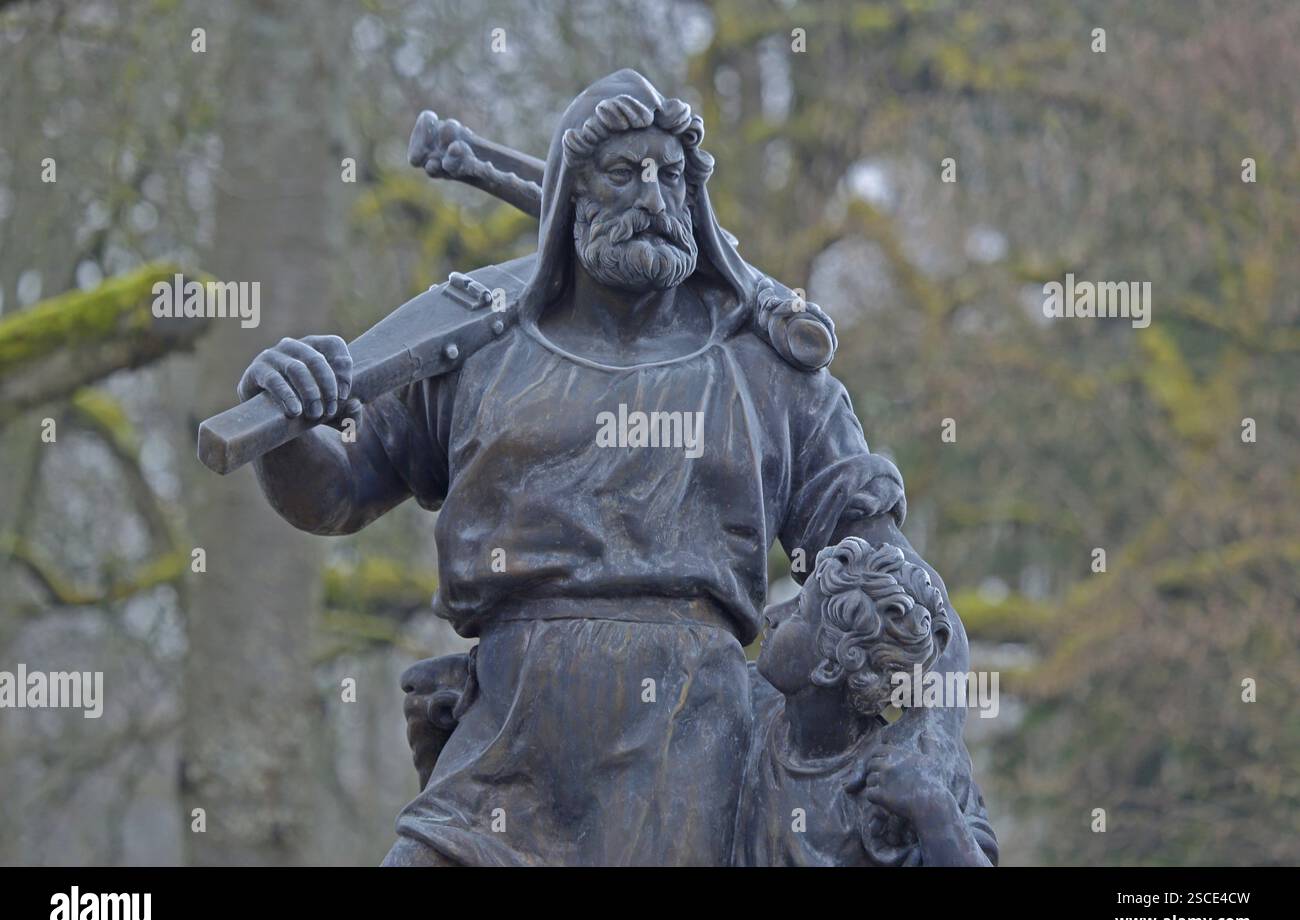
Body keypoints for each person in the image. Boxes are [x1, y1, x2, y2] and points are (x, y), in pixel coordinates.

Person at [234, 70, 973, 866]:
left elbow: (887, 571)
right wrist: (287, 423)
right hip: (504, 748)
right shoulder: (477, 351)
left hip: (696, 757)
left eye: (673, 175)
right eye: (624, 172)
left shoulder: (770, 373)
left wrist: (925, 729)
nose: (653, 196)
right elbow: (338, 493)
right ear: (570, 196)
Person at [733, 537, 997, 866]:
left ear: (830, 666)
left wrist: (934, 811)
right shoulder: (746, 703)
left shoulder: (900, 783)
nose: (772, 613)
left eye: (798, 610)